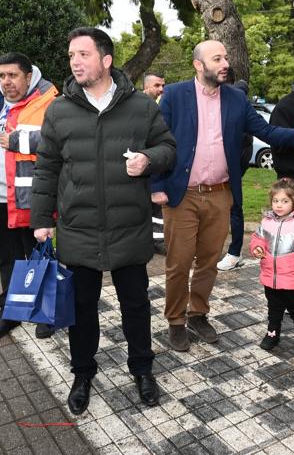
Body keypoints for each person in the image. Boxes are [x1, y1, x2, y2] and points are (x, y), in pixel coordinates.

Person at [31, 26, 177, 413]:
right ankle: (83, 373)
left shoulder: (142, 106)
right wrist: (41, 218)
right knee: (81, 308)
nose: (75, 62)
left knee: (135, 305)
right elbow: (46, 168)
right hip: (78, 229)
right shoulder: (60, 109)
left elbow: (168, 149)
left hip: (129, 226)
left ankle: (143, 370)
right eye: (71, 56)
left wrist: (150, 159)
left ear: (106, 60)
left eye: (83, 54)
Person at [149, 40, 294, 352]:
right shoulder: (176, 95)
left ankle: (198, 313)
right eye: (217, 58)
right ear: (198, 64)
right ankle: (176, 321)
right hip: (183, 194)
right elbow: (156, 140)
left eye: (225, 57)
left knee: (209, 261)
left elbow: (267, 132)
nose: (225, 63)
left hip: (221, 193)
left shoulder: (235, 98)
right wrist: (156, 186)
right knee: (179, 262)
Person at [0, 53, 59, 342]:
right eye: (2, 75)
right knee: (7, 257)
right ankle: (12, 310)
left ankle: (46, 311)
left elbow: (61, 141)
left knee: (38, 258)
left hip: (30, 199)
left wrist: (19, 141)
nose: (6, 81)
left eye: (13, 75)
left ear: (29, 76)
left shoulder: (50, 104)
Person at [251, 180, 294, 354]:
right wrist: (257, 247)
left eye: (284, 201)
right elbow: (258, 238)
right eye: (276, 201)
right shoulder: (266, 222)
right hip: (271, 276)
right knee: (274, 308)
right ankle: (273, 333)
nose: (279, 205)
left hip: (293, 276)